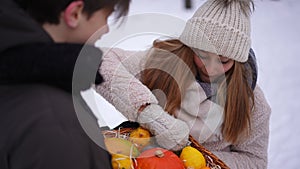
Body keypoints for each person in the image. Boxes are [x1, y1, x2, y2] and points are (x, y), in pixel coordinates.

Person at [96, 0, 271, 168]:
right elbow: (96, 61)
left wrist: (199, 160)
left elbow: (255, 161)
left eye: (224, 61)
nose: (210, 69)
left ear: (237, 61)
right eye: (202, 55)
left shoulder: (252, 103)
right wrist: (149, 113)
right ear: (190, 46)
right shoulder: (164, 63)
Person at [0, 0, 130, 168]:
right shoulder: (54, 120)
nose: (106, 29)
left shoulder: (14, 79)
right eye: (106, 16)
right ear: (75, 13)